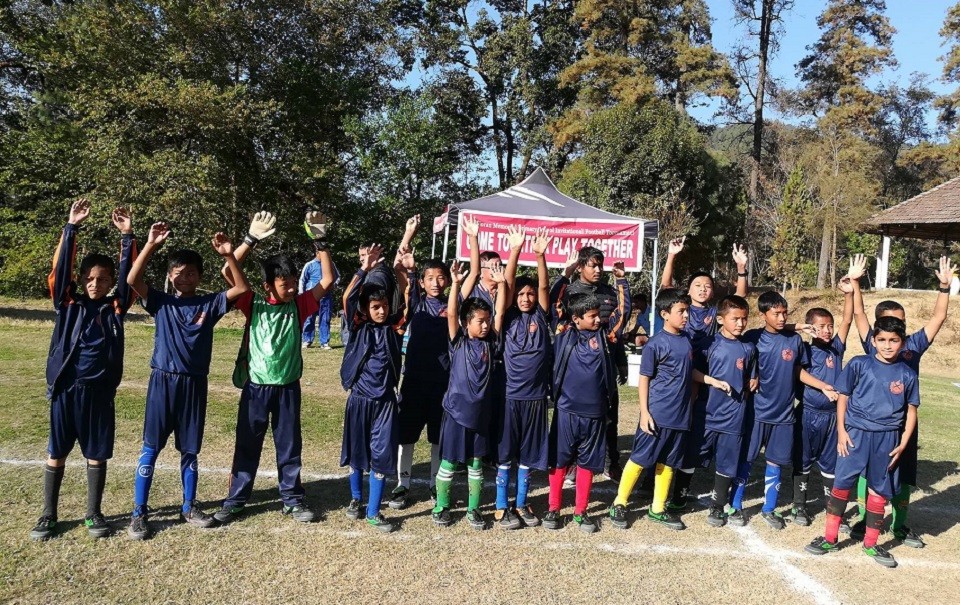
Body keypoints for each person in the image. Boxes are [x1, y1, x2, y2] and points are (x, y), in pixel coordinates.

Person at [125, 222, 249, 540]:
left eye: (191, 273)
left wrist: (229, 255)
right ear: (170, 276)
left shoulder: (210, 304)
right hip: (162, 382)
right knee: (151, 447)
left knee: (190, 450)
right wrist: (150, 245)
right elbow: (132, 280)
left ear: (200, 277)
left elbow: (241, 289)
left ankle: (189, 506)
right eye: (179, 272)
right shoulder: (161, 302)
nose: (185, 277)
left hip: (194, 384)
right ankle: (139, 512)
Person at [213, 212, 334, 526]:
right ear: (268, 285)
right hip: (256, 388)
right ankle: (235, 499)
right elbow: (228, 271)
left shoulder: (300, 305)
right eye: (285, 284)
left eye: (294, 283)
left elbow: (328, 280)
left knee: (289, 446)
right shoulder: (252, 303)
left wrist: (320, 241)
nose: (292, 288)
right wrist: (249, 240)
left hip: (288, 388)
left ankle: (292, 499)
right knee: (247, 444)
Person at [31, 200, 138, 541]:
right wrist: (71, 227)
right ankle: (48, 514)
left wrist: (127, 236)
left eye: (102, 279)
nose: (95, 284)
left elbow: (131, 278)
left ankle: (93, 512)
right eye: (89, 279)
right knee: (57, 452)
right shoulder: (67, 304)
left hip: (99, 394)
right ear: (80, 280)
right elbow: (60, 270)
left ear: (110, 283)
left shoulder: (116, 307)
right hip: (65, 390)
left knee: (96, 454)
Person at [843, 255, 956, 548]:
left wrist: (944, 287)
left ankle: (900, 525)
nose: (895, 329)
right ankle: (865, 520)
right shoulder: (872, 343)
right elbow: (859, 314)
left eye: (901, 323)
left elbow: (938, 318)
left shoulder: (912, 346)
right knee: (868, 472)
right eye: (889, 323)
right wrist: (855, 282)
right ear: (878, 329)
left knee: (903, 475)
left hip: (902, 425)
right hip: (871, 425)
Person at [804, 316, 920, 568]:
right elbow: (843, 396)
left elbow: (911, 410)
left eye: (893, 340)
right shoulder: (859, 364)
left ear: (902, 343)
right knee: (842, 485)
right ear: (873, 341)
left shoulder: (907, 374)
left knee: (878, 490)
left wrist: (903, 443)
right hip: (855, 435)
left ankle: (870, 543)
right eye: (882, 340)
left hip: (887, 438)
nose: (887, 345)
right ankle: (830, 538)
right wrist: (842, 431)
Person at [390, 215, 479, 509]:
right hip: (414, 379)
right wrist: (408, 233)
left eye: (441, 278)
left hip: (443, 381)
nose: (436, 283)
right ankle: (402, 484)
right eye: (430, 278)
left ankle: (433, 482)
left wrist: (473, 238)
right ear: (423, 281)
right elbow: (399, 266)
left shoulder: (454, 302)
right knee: (406, 434)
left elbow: (474, 273)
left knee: (438, 436)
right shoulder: (416, 300)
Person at [737, 291, 838, 530]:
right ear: (763, 315)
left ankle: (769, 509)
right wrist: (752, 375)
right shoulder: (753, 337)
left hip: (784, 415)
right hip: (757, 412)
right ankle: (735, 505)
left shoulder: (794, 341)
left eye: (785, 313)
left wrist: (823, 386)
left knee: (776, 462)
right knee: (746, 460)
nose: (782, 318)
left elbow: (798, 371)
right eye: (776, 314)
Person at [609, 289, 704, 531]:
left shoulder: (687, 340)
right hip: (657, 414)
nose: (686, 316)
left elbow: (688, 372)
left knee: (669, 462)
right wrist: (645, 413)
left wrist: (712, 380)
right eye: (681, 311)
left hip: (680, 416)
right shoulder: (655, 343)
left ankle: (658, 508)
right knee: (640, 459)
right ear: (664, 314)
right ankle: (619, 503)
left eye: (687, 311)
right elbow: (644, 379)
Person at [545, 287, 627, 534]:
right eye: (591, 316)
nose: (597, 319)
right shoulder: (563, 334)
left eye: (598, 315)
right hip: (566, 412)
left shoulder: (606, 337)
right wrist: (565, 276)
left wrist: (621, 280)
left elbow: (623, 311)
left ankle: (581, 511)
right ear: (576, 319)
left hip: (596, 414)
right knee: (559, 460)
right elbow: (553, 303)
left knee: (587, 463)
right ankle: (553, 507)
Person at [339, 242, 409, 532]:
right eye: (375, 307)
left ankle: (373, 511)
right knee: (357, 453)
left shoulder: (395, 327)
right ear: (366, 309)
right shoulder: (358, 326)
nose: (381, 311)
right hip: (359, 399)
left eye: (384, 307)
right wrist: (363, 269)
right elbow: (347, 298)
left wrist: (406, 272)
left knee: (381, 456)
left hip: (385, 403)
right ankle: (356, 499)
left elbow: (410, 300)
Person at [431, 260, 503, 530]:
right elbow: (451, 313)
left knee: (476, 464)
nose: (485, 326)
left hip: (480, 416)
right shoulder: (458, 342)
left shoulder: (491, 343)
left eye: (487, 321)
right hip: (456, 414)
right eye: (479, 322)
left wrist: (503, 286)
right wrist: (456, 285)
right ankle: (442, 506)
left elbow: (499, 315)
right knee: (449, 463)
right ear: (466, 323)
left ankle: (474, 509)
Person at [788, 260, 858, 527]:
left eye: (830, 325)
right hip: (808, 413)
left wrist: (849, 294)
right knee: (803, 461)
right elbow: (798, 372)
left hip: (832, 418)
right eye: (821, 326)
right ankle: (799, 506)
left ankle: (833, 510)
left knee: (831, 464)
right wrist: (824, 386)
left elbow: (848, 320)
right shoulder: (804, 348)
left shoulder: (836, 348)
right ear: (810, 328)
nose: (827, 330)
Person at [551, 247, 630, 481]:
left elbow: (618, 326)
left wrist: (620, 362)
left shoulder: (609, 292)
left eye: (600, 265)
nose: (598, 270)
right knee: (572, 419)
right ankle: (571, 463)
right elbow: (553, 309)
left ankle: (610, 462)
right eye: (592, 265)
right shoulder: (570, 291)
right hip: (576, 368)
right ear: (580, 267)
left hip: (604, 364)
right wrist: (564, 275)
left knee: (609, 417)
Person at [494, 227, 552, 529]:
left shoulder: (541, 315)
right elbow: (507, 283)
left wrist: (540, 256)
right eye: (521, 294)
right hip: (509, 398)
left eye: (529, 294)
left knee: (529, 455)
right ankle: (501, 506)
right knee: (506, 453)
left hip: (536, 399)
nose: (526, 298)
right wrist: (515, 250)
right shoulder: (507, 317)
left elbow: (544, 287)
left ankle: (521, 502)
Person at [687, 295, 757, 527]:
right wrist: (711, 383)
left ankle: (717, 506)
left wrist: (754, 379)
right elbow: (693, 373)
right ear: (720, 319)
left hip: (734, 416)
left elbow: (751, 377)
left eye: (744, 319)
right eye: (735, 319)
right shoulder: (708, 345)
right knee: (692, 454)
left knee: (728, 462)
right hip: (706, 413)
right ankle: (678, 496)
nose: (741, 324)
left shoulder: (748, 348)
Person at [299, 240, 336, 350]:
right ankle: (307, 340)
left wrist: (333, 285)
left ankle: (324, 342)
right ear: (317, 253)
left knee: (325, 319)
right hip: (311, 296)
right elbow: (302, 280)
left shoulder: (331, 264)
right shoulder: (309, 265)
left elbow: (337, 277)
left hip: (326, 297)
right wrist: (301, 293)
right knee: (309, 318)